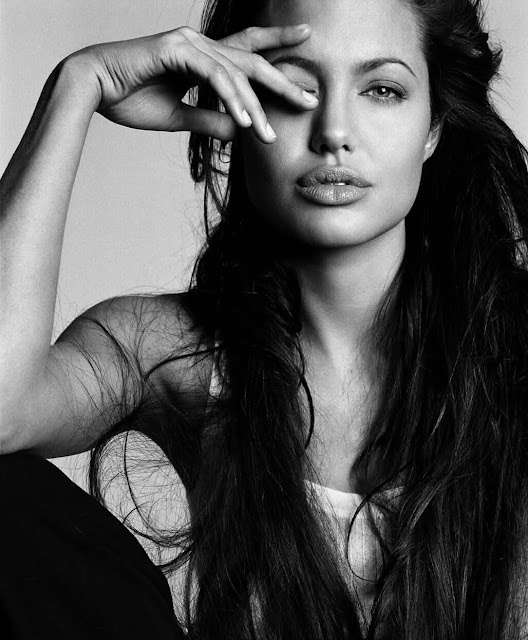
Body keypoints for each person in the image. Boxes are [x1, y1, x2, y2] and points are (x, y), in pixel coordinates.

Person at [1, 0, 527, 637]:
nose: (334, 132)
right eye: (291, 89)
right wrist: (78, 84)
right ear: (235, 104)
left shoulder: (511, 345)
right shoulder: (169, 351)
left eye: (382, 90)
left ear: (434, 127)